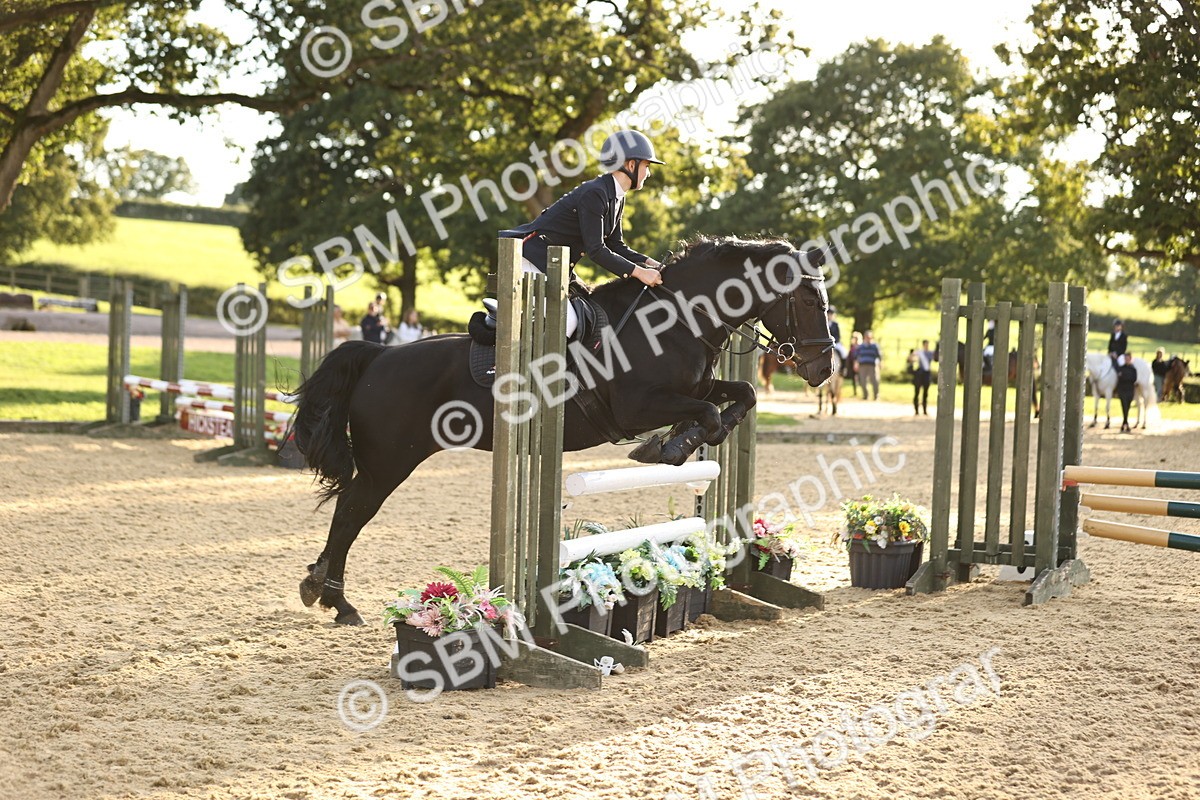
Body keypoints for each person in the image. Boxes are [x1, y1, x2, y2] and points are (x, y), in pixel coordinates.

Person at [495, 130, 665, 339]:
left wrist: (652, 264)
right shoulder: (596, 193)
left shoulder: (616, 197)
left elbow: (616, 246)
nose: (648, 173)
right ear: (631, 165)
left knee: (588, 310)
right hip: (532, 258)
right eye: (646, 166)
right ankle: (521, 366)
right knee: (567, 322)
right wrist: (639, 273)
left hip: (555, 264)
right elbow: (596, 250)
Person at [909, 339, 935, 415]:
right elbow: (910, 358)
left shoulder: (930, 353)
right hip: (920, 374)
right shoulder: (919, 352)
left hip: (927, 374)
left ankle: (924, 410)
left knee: (925, 393)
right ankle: (916, 410)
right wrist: (913, 357)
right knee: (917, 392)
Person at [856, 330, 882, 400]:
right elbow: (857, 356)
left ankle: (876, 396)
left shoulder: (875, 346)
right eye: (867, 337)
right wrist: (856, 364)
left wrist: (880, 363)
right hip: (862, 366)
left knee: (874, 381)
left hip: (872, 365)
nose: (868, 338)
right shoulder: (861, 346)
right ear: (864, 337)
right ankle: (865, 395)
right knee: (863, 381)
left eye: (870, 337)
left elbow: (879, 356)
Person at [1116, 358, 1138, 433]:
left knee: (1127, 407)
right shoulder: (1121, 368)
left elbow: (1134, 379)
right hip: (1123, 390)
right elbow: (1119, 378)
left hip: (1130, 390)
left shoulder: (1133, 369)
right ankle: (1126, 423)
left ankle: (1124, 422)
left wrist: (1124, 377)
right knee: (1124, 406)